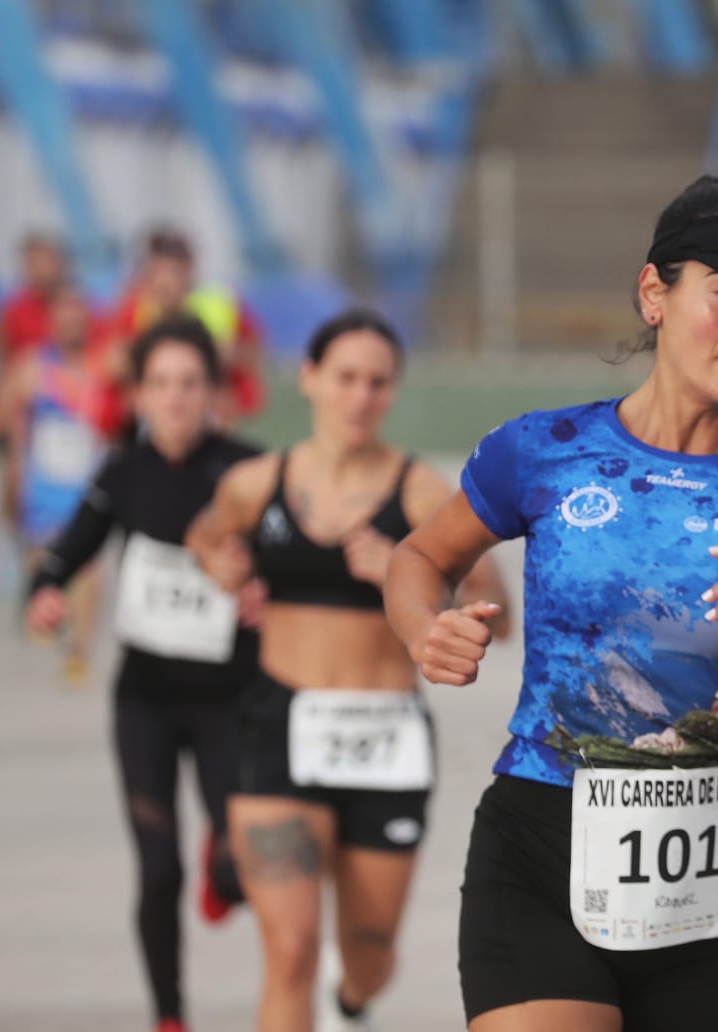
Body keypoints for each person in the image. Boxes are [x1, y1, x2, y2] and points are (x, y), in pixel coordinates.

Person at [383, 173, 718, 1032]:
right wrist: (425, 632)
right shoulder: (543, 451)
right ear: (654, 293)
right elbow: (418, 557)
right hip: (540, 837)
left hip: (701, 882)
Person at [187, 308, 511, 1032]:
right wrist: (220, 563)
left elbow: (498, 602)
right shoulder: (254, 482)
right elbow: (206, 534)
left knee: (369, 949)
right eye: (345, 378)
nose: (360, 396)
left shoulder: (421, 494)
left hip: (384, 738)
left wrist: (405, 577)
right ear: (308, 378)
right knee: (290, 946)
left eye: (378, 382)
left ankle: (352, 1002)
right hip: (280, 729)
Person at [26, 316, 261, 1032]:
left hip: (230, 700)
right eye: (160, 384)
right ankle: (169, 1016)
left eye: (190, 384)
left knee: (236, 871)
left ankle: (223, 864)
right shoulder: (123, 471)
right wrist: (47, 589)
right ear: (138, 396)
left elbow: (290, 558)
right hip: (147, 701)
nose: (176, 399)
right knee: (158, 872)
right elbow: (72, 548)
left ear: (214, 393)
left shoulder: (246, 471)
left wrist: (265, 592)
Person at [0, 281, 123, 683]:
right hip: (45, 480)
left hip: (90, 475)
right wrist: (11, 471)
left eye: (78, 317)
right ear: (52, 323)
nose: (71, 326)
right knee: (47, 558)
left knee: (90, 563)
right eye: (63, 318)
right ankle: (47, 613)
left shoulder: (106, 363)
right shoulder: (32, 367)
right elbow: (1, 415)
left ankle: (79, 647)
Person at [107, 227, 265, 426]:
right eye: (157, 270)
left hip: (221, 410)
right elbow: (114, 361)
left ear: (188, 269)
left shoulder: (219, 301)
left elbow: (253, 351)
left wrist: (226, 356)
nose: (164, 280)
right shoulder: (136, 308)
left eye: (172, 270)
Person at [0, 231, 69, 363]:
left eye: (47, 262)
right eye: (35, 264)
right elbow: (3, 355)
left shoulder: (76, 307)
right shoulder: (14, 311)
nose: (42, 271)